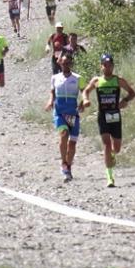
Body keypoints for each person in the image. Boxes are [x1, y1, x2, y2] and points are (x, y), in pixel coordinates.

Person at [81, 54, 135, 187]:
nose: (108, 67)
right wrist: (85, 100)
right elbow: (85, 91)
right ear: (101, 66)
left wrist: (125, 101)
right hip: (103, 116)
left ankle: (112, 155)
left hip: (115, 115)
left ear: (113, 66)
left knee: (116, 148)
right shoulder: (97, 80)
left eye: (110, 65)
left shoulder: (118, 80)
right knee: (106, 144)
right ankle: (110, 177)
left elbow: (132, 93)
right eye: (105, 65)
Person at [45, 53, 85, 182]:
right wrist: (50, 101)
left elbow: (85, 92)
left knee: (72, 144)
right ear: (60, 63)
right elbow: (52, 92)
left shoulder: (78, 78)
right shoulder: (55, 78)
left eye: (68, 63)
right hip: (60, 112)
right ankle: (63, 162)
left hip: (73, 113)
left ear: (72, 64)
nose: (65, 65)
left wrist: (83, 102)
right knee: (64, 134)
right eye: (63, 63)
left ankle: (68, 167)